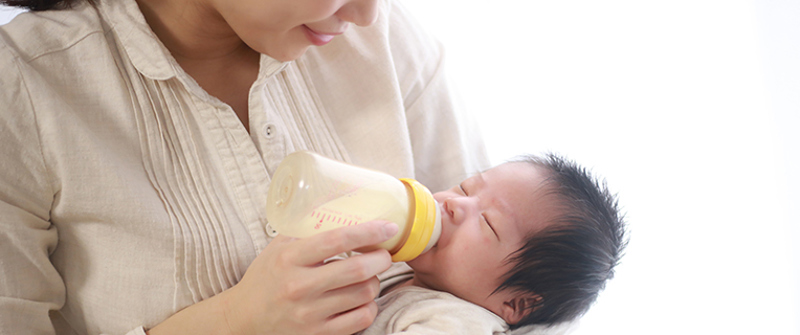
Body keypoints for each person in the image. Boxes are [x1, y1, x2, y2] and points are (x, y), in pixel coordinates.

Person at [0, 0, 489, 334]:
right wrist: (235, 321)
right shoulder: (24, 87)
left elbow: (514, 284)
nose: (364, 15)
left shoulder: (385, 44)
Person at [357, 154, 628, 334]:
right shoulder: (402, 271)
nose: (455, 203)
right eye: (465, 188)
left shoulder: (455, 323)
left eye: (487, 222)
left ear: (516, 304)